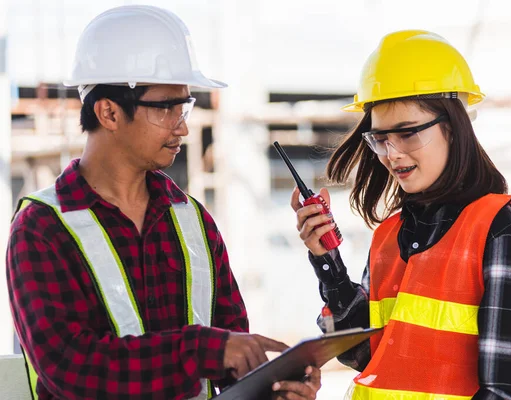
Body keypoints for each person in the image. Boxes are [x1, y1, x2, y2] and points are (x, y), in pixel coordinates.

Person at [6, 5, 320, 400]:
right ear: (109, 112)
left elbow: (232, 357)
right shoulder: (43, 228)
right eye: (166, 107)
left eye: (184, 106)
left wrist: (273, 386)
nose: (183, 125)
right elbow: (71, 368)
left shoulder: (193, 221)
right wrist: (199, 349)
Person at [291, 30, 511, 399]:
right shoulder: (388, 235)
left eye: (408, 133)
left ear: (454, 127)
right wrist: (327, 262)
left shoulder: (501, 227)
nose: (392, 154)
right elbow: (368, 356)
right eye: (380, 138)